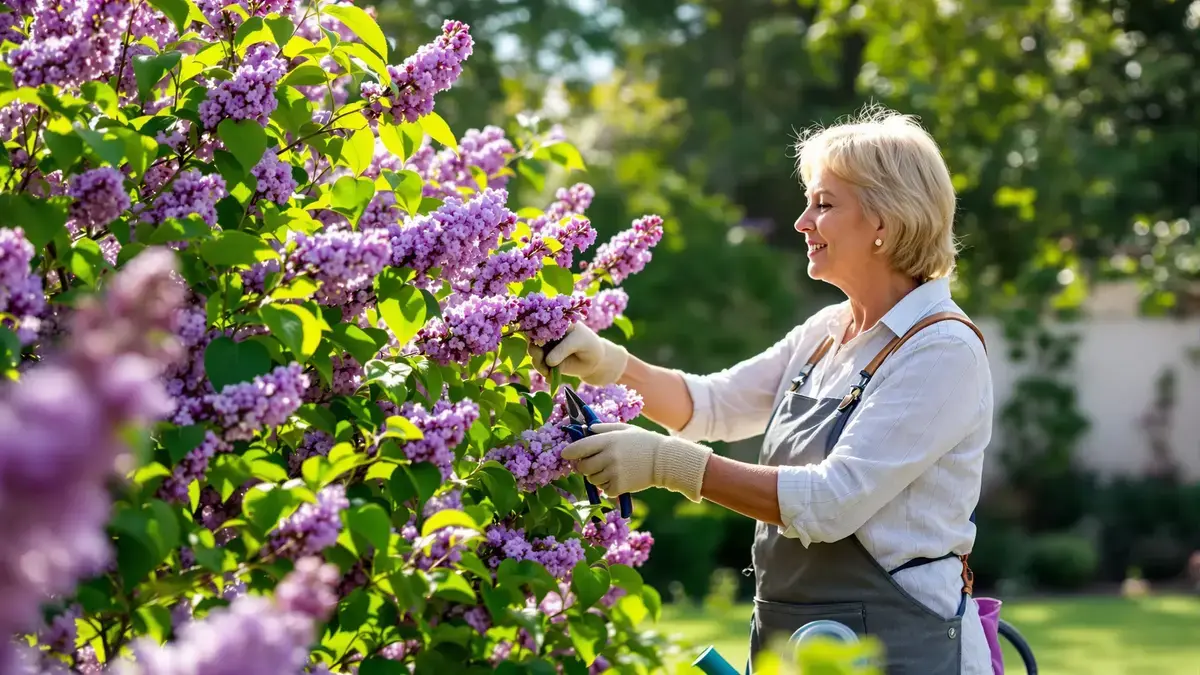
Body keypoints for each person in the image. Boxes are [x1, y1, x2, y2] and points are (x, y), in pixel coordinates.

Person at [531, 106, 995, 675]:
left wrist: (665, 464)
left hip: (903, 652)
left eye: (823, 204)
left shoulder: (941, 350)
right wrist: (609, 364)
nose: (802, 222)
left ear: (885, 223)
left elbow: (831, 503)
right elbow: (711, 407)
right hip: (792, 645)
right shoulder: (826, 333)